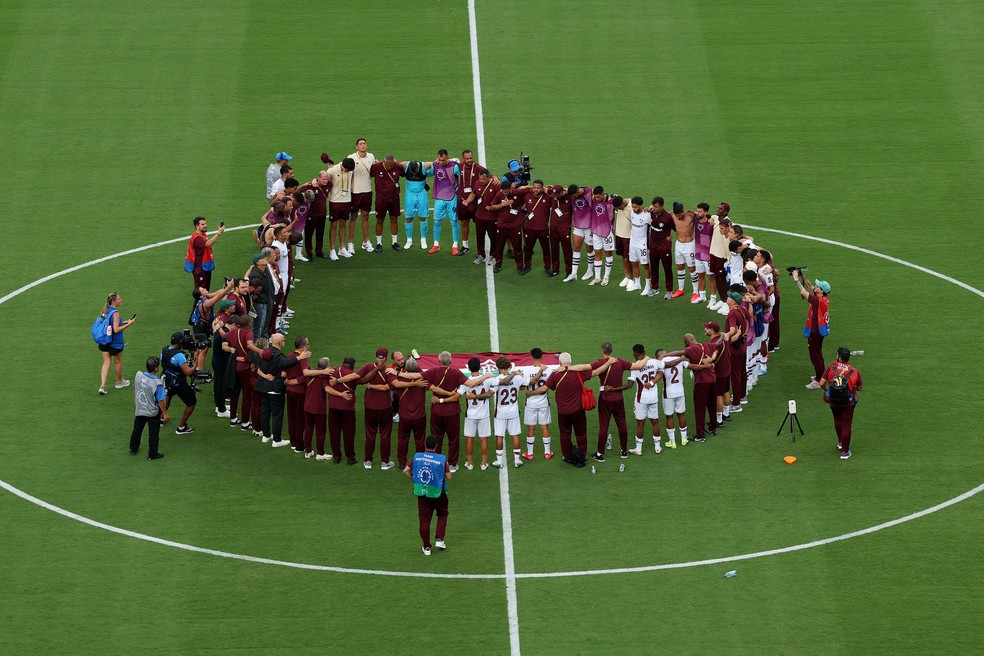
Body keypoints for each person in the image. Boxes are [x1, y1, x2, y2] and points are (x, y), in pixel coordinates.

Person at [528, 353, 615, 464]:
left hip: (563, 412)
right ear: (570, 362)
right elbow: (597, 372)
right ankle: (583, 455)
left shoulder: (555, 375)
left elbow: (543, 389)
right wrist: (608, 362)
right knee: (581, 434)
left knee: (565, 434)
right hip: (578, 411)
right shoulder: (578, 373)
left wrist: (530, 393)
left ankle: (567, 456)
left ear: (560, 363)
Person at [591, 342, 650, 460]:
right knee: (622, 424)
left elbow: (588, 370)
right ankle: (624, 451)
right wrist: (647, 357)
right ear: (611, 351)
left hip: (605, 398)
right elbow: (638, 366)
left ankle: (600, 454)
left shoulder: (599, 362)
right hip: (618, 398)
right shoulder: (621, 362)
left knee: (603, 426)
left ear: (602, 351)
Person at [255, 332, 311, 447]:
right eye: (283, 340)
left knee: (265, 411)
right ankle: (276, 440)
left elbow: (259, 368)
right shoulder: (278, 356)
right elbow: (285, 363)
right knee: (277, 414)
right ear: (280, 343)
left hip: (263, 387)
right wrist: (299, 357)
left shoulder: (266, 352)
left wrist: (265, 376)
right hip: (275, 388)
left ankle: (266, 436)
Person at [404, 434, 451, 556]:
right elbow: (449, 477)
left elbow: (406, 471)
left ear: (425, 445)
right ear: (436, 445)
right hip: (438, 493)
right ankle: (440, 539)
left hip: (422, 492)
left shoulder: (417, 457)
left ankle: (427, 547)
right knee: (443, 513)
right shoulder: (441, 459)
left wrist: (415, 480)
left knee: (424, 521)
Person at [422, 351, 469, 471]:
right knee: (453, 439)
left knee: (436, 438)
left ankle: (435, 462)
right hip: (452, 412)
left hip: (436, 412)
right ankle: (452, 464)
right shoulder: (456, 372)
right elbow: (468, 383)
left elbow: (418, 376)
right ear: (450, 361)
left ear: (439, 361)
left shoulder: (433, 371)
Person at [818, 347, 863, 460]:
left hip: (833, 401)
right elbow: (860, 388)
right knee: (846, 425)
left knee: (837, 420)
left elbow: (821, 383)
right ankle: (845, 452)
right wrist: (853, 386)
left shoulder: (831, 367)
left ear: (839, 357)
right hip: (848, 402)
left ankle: (840, 442)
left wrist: (826, 390)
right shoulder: (854, 371)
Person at [387, 357, 431, 469]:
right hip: (419, 416)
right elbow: (421, 373)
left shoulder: (399, 380)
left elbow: (395, 388)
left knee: (402, 440)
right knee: (420, 441)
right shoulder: (423, 380)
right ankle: (420, 463)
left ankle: (402, 463)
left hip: (404, 416)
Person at [793, 270, 831, 389]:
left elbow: (804, 292)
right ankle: (820, 375)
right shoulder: (823, 297)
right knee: (818, 353)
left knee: (815, 356)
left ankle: (819, 380)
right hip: (820, 330)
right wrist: (803, 275)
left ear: (821, 290)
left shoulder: (817, 300)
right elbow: (809, 285)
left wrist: (796, 279)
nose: (815, 287)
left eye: (818, 286)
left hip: (815, 331)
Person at [460, 357, 498, 470]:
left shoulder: (466, 382)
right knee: (484, 439)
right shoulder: (486, 380)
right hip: (484, 414)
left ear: (469, 368)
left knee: (469, 439)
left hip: (470, 415)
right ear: (480, 367)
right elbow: (498, 383)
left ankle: (470, 463)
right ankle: (483, 463)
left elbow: (458, 394)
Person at [491, 356, 528, 469]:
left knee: (499, 436)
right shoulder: (517, 377)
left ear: (499, 368)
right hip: (513, 411)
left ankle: (499, 461)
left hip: (500, 412)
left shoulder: (498, 379)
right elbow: (526, 383)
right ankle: (517, 460)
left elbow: (491, 392)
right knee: (515, 434)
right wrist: (519, 375)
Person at [626, 344, 664, 456]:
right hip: (653, 397)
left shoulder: (635, 366)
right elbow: (661, 373)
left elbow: (629, 385)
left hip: (641, 399)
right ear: (644, 351)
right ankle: (657, 447)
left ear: (635, 353)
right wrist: (652, 383)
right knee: (655, 422)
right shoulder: (654, 362)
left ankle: (638, 449)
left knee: (640, 424)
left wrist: (615, 389)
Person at [129, 356, 169, 461]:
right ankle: (153, 454)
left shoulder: (138, 375)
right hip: (152, 412)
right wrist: (165, 413)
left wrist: (137, 403)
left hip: (140, 409)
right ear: (156, 368)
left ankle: (133, 448)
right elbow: (160, 400)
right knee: (153, 433)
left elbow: (135, 389)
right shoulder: (157, 383)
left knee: (137, 429)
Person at [510, 180, 552, 275]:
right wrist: (527, 187)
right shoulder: (527, 196)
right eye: (534, 187)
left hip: (543, 229)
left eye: (538, 188)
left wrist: (548, 190)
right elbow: (517, 190)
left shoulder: (547, 197)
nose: (536, 190)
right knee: (528, 249)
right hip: (530, 228)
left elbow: (557, 192)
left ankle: (548, 266)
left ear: (542, 188)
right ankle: (527, 266)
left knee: (546, 249)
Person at [97, 292, 135, 395]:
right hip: (114, 342)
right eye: (118, 299)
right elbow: (116, 329)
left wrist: (125, 322)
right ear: (113, 301)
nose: (120, 300)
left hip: (104, 340)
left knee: (106, 362)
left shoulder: (104, 310)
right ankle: (119, 382)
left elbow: (107, 324)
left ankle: (102, 386)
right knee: (118, 362)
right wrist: (129, 324)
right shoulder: (116, 313)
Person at [161, 332, 198, 435]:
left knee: (169, 395)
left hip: (167, 381)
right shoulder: (179, 355)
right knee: (191, 402)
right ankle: (181, 427)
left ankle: (161, 418)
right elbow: (188, 372)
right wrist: (195, 364)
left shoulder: (163, 350)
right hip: (179, 384)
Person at [656, 348, 690, 449]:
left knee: (669, 417)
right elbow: (690, 365)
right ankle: (684, 439)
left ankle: (673, 442)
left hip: (668, 393)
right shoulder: (679, 358)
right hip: (680, 392)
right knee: (681, 414)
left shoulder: (660, 362)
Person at [522, 348, 553, 460]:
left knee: (531, 428)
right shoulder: (548, 370)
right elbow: (551, 386)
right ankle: (547, 452)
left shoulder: (526, 371)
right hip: (544, 402)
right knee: (544, 427)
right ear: (542, 356)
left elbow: (522, 387)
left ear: (531, 356)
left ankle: (530, 454)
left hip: (530, 403)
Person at [369, 155, 405, 252]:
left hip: (394, 198)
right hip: (381, 199)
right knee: (380, 220)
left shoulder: (397, 166)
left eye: (391, 165)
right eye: (388, 165)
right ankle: (379, 243)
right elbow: (368, 174)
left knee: (394, 219)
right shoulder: (376, 167)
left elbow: (404, 172)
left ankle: (395, 242)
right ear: (384, 162)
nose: (390, 167)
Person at [429, 149, 461, 254]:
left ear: (447, 157)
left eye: (443, 160)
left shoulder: (454, 167)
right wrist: (431, 164)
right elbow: (427, 173)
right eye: (439, 159)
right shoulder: (436, 165)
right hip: (439, 198)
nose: (441, 162)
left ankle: (455, 245)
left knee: (453, 221)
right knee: (437, 221)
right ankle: (436, 244)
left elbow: (463, 176)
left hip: (452, 197)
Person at [348, 138, 377, 253]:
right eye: (360, 144)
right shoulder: (351, 157)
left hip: (367, 191)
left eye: (364, 143)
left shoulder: (371, 157)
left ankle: (366, 241)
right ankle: (350, 243)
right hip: (355, 192)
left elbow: (374, 171)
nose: (363, 145)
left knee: (365, 216)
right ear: (357, 147)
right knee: (353, 216)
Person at [326, 158, 356, 260]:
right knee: (334, 224)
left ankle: (342, 248)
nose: (348, 171)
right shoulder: (332, 170)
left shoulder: (350, 170)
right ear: (343, 166)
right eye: (347, 169)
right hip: (335, 201)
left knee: (343, 223)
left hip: (347, 200)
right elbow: (324, 180)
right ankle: (332, 250)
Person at [184, 216, 224, 291]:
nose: (205, 225)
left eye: (205, 223)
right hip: (200, 269)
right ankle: (200, 303)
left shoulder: (202, 235)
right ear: (197, 226)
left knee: (205, 291)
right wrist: (218, 233)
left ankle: (206, 302)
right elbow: (208, 243)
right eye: (202, 224)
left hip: (204, 266)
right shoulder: (197, 238)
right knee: (201, 293)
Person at [298, 170, 330, 259]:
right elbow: (299, 191)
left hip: (323, 214)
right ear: (318, 178)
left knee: (320, 233)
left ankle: (319, 251)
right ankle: (309, 253)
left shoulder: (329, 185)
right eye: (324, 179)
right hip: (311, 215)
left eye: (327, 179)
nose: (326, 181)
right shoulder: (311, 186)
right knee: (309, 234)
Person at [402, 160, 433, 251]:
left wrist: (452, 160)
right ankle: (409, 240)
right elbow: (392, 163)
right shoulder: (405, 165)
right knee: (408, 218)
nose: (414, 174)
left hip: (421, 195)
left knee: (423, 217)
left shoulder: (424, 166)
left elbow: (436, 163)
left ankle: (423, 239)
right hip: (409, 196)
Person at [646, 197, 674, 298]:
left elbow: (676, 228)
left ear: (662, 206)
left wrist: (671, 237)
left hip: (664, 247)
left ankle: (669, 290)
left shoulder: (668, 217)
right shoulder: (651, 212)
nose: (654, 208)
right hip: (653, 246)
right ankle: (654, 288)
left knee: (667, 269)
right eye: (653, 206)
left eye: (656, 207)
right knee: (654, 268)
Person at [456, 149, 482, 254]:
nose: (469, 160)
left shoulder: (478, 167)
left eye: (471, 158)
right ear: (463, 159)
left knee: (479, 225)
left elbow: (489, 175)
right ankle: (465, 246)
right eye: (467, 158)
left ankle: (479, 248)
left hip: (475, 201)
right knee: (464, 223)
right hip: (462, 200)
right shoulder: (458, 166)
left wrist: (494, 178)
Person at [588, 186, 615, 286]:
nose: (597, 199)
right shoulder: (593, 198)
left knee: (608, 253)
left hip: (608, 232)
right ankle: (597, 277)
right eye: (596, 197)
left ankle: (606, 277)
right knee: (597, 252)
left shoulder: (611, 201)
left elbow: (624, 202)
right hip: (596, 231)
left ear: (603, 193)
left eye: (599, 197)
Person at [671, 204, 699, 300]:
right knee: (680, 266)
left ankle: (696, 292)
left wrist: (696, 213)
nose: (678, 217)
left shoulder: (690, 215)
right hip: (678, 244)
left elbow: (703, 216)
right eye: (676, 215)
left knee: (691, 268)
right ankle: (680, 289)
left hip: (689, 245)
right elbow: (661, 213)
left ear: (683, 211)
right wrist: (648, 208)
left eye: (680, 215)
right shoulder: (672, 215)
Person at [546, 184, 574, 278]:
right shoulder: (553, 194)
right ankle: (555, 269)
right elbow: (543, 188)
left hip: (564, 227)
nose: (556, 198)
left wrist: (566, 188)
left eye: (558, 195)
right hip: (553, 226)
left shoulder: (570, 197)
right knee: (554, 249)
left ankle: (569, 270)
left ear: (563, 192)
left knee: (567, 250)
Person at [627, 197, 652, 294]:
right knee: (634, 263)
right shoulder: (632, 212)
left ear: (641, 206)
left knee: (645, 265)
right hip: (633, 243)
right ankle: (637, 284)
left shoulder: (647, 215)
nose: (634, 209)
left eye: (636, 207)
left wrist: (650, 208)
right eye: (633, 207)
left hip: (643, 244)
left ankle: (647, 286)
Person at [693, 203, 713, 304]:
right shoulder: (695, 220)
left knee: (711, 277)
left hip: (708, 256)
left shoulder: (711, 224)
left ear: (706, 212)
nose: (698, 213)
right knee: (700, 275)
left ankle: (713, 299)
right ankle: (702, 296)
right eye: (697, 211)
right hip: (698, 254)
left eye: (700, 211)